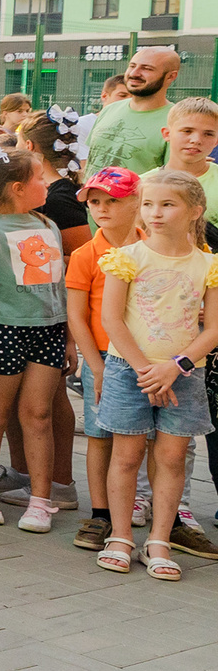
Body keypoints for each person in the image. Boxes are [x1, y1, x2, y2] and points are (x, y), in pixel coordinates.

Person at [94, 168, 218, 579]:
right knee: (126, 456)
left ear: (195, 210)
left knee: (172, 457)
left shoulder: (208, 264)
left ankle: (160, 540)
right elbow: (112, 319)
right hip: (130, 370)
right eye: (149, 204)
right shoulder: (127, 258)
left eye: (168, 205)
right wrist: (148, 371)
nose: (156, 213)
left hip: (184, 374)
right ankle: (121, 535)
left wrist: (174, 367)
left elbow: (214, 329)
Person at [0, 148, 68, 531]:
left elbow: (59, 285)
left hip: (49, 331)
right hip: (2, 332)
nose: (46, 183)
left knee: (38, 415)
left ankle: (40, 500)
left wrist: (67, 337)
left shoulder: (47, 224)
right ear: (19, 188)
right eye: (40, 178)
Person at [65, 166, 140, 555]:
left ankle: (166, 516)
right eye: (95, 202)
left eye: (114, 200)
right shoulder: (84, 254)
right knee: (99, 437)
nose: (103, 209)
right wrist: (95, 367)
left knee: (151, 441)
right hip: (105, 361)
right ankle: (101, 513)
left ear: (137, 202)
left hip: (147, 360)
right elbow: (76, 315)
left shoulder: (154, 248)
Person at [85, 45, 184, 176]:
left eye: (147, 68)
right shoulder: (109, 110)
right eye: (132, 66)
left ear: (171, 77)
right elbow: (90, 162)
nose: (134, 74)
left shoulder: (177, 120)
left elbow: (174, 178)